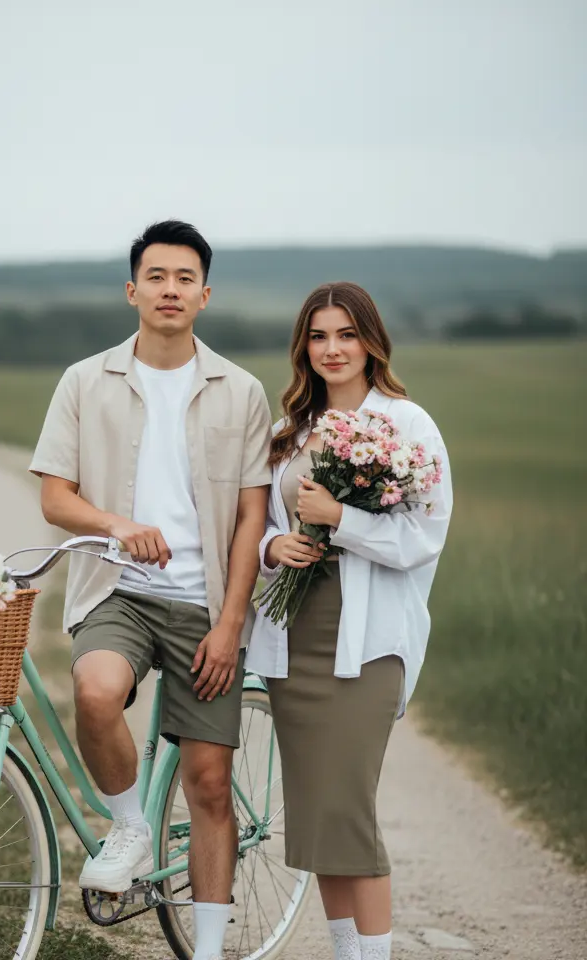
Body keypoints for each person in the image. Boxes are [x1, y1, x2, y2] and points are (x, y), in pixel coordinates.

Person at [29, 219, 271, 960]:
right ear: (133, 290)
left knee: (207, 783)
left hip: (206, 605)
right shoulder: (84, 379)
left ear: (205, 294)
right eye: (157, 276)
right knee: (96, 691)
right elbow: (54, 496)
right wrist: (115, 524)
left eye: (185, 278)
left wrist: (230, 626)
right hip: (119, 591)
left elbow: (252, 518)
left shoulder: (242, 391)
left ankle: (204, 951)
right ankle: (129, 823)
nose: (171, 289)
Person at [246, 282, 453, 960]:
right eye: (318, 336)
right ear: (304, 347)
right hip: (294, 639)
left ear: (370, 341)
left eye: (345, 334)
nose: (332, 349)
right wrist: (272, 549)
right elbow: (263, 531)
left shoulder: (407, 425)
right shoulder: (290, 434)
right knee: (318, 819)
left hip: (367, 644)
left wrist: (345, 522)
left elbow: (424, 537)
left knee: (349, 813)